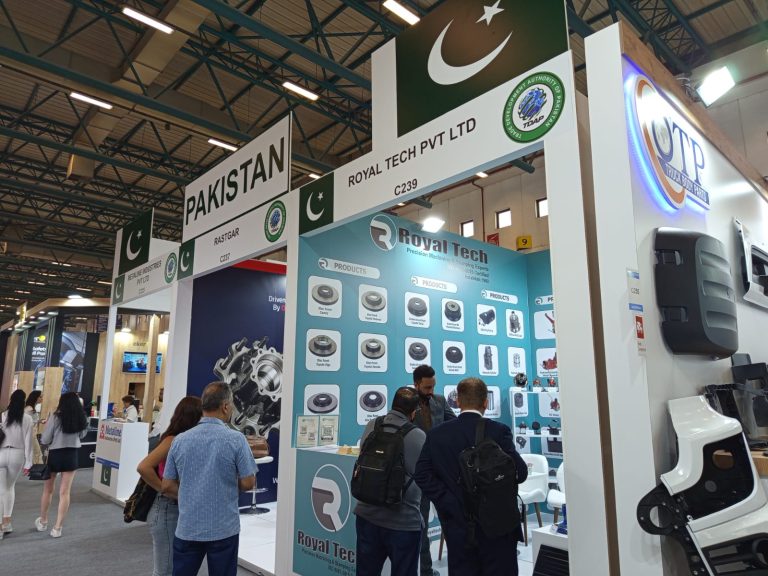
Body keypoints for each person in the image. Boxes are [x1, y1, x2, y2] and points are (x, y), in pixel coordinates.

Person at [415, 377, 528, 576]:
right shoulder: (498, 431)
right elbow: (520, 472)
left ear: (458, 401)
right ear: (485, 402)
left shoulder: (437, 435)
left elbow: (422, 474)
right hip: (498, 525)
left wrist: (449, 501)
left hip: (458, 527)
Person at [161, 382, 256, 576]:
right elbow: (248, 483)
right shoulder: (236, 439)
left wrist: (192, 493)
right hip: (224, 528)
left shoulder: (179, 440)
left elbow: (167, 485)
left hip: (188, 527)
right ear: (225, 407)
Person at [354, 387, 426, 576]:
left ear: (393, 404)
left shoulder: (372, 425)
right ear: (414, 412)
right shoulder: (418, 435)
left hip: (366, 515)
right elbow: (424, 475)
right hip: (403, 522)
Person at [138, 397, 203, 576]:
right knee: (165, 570)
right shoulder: (172, 440)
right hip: (168, 509)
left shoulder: (183, 440)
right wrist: (163, 489)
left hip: (178, 509)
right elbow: (143, 467)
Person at [411, 364, 456, 576]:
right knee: (422, 526)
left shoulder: (440, 400)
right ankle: (426, 571)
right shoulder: (407, 404)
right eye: (427, 387)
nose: (431, 391)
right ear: (416, 384)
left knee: (453, 521)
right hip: (419, 475)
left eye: (433, 386)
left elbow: (456, 424)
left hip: (442, 473)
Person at [36, 391, 89, 538]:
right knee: (65, 492)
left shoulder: (55, 417)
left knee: (48, 490)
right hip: (72, 455)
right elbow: (82, 435)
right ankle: (57, 528)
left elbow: (45, 439)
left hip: (55, 454)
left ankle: (43, 521)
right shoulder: (81, 417)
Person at [0, 390, 34, 538]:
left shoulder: (3, 415)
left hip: (1, 453)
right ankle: (6, 522)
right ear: (23, 401)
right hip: (17, 455)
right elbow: (29, 443)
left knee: (2, 490)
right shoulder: (27, 419)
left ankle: (2, 527)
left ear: (11, 400)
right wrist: (28, 463)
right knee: (9, 488)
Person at [24, 390, 44, 465]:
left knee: (36, 454)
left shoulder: (31, 408)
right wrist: (37, 421)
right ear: (35, 397)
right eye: (40, 397)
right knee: (37, 453)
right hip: (30, 435)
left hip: (32, 434)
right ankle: (37, 469)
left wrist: (39, 421)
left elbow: (32, 420)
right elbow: (26, 422)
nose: (42, 399)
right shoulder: (29, 409)